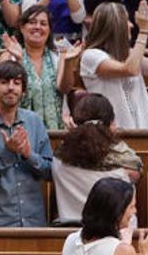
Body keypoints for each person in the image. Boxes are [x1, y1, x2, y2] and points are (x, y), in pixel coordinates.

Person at [0, 61, 52, 226]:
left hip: (34, 223)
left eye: (17, 83)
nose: (11, 87)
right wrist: (6, 154)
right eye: (5, 82)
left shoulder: (34, 121)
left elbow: (50, 172)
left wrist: (28, 155)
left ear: (23, 91)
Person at [53, 93, 142, 224]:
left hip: (70, 232)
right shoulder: (128, 167)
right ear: (111, 124)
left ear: (74, 122)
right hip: (116, 233)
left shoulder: (58, 159)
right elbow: (137, 172)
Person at [80, 0, 148, 130]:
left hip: (145, 129)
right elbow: (130, 69)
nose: (131, 25)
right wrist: (143, 31)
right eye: (126, 21)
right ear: (114, 26)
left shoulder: (129, 54)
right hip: (114, 133)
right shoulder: (90, 56)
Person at [0, 5, 80, 130]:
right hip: (19, 130)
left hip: (55, 130)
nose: (38, 27)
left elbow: (64, 89)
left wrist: (68, 62)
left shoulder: (58, 57)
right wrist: (19, 61)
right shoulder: (9, 57)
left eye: (43, 23)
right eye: (32, 22)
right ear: (22, 27)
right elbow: (8, 93)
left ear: (49, 30)